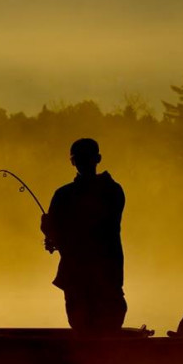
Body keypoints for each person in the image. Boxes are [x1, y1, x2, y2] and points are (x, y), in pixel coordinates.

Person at [40, 138, 127, 333]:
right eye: (79, 159)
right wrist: (51, 233)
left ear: (97, 158)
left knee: (87, 329)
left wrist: (50, 231)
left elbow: (87, 232)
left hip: (94, 277)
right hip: (97, 276)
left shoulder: (65, 195)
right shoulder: (113, 190)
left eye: (83, 158)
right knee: (103, 329)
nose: (82, 162)